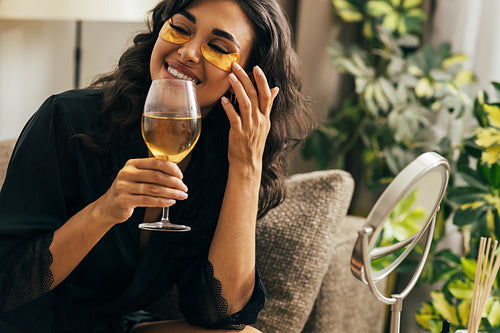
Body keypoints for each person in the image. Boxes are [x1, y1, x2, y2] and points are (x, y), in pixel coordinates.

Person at [0, 0, 314, 332]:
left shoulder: (220, 162)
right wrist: (105, 210)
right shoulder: (66, 119)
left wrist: (246, 166)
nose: (188, 51)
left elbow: (221, 313)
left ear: (249, 79)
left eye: (219, 47)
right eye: (180, 28)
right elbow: (7, 285)